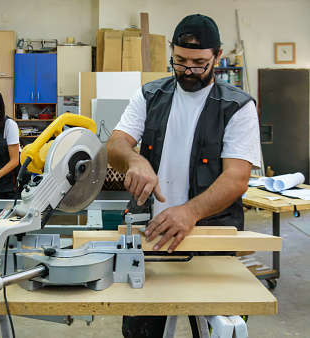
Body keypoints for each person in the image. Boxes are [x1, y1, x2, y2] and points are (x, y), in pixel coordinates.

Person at [106, 14, 260, 337]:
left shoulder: (237, 107)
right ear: (171, 54)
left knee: (221, 330)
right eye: (180, 61)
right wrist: (134, 160)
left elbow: (237, 177)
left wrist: (190, 213)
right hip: (152, 241)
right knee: (142, 332)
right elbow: (116, 144)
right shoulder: (149, 96)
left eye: (199, 63)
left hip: (211, 244)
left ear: (217, 56)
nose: (188, 70)